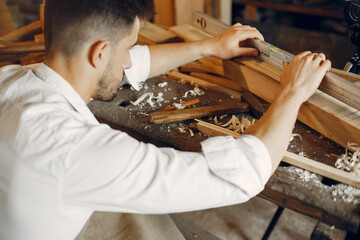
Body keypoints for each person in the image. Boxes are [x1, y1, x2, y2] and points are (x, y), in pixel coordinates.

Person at [0, 0, 331, 239]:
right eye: (127, 47)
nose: (129, 58)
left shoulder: (11, 80)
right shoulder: (78, 151)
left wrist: (211, 47)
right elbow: (242, 175)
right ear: (99, 53)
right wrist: (293, 92)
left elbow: (132, 65)